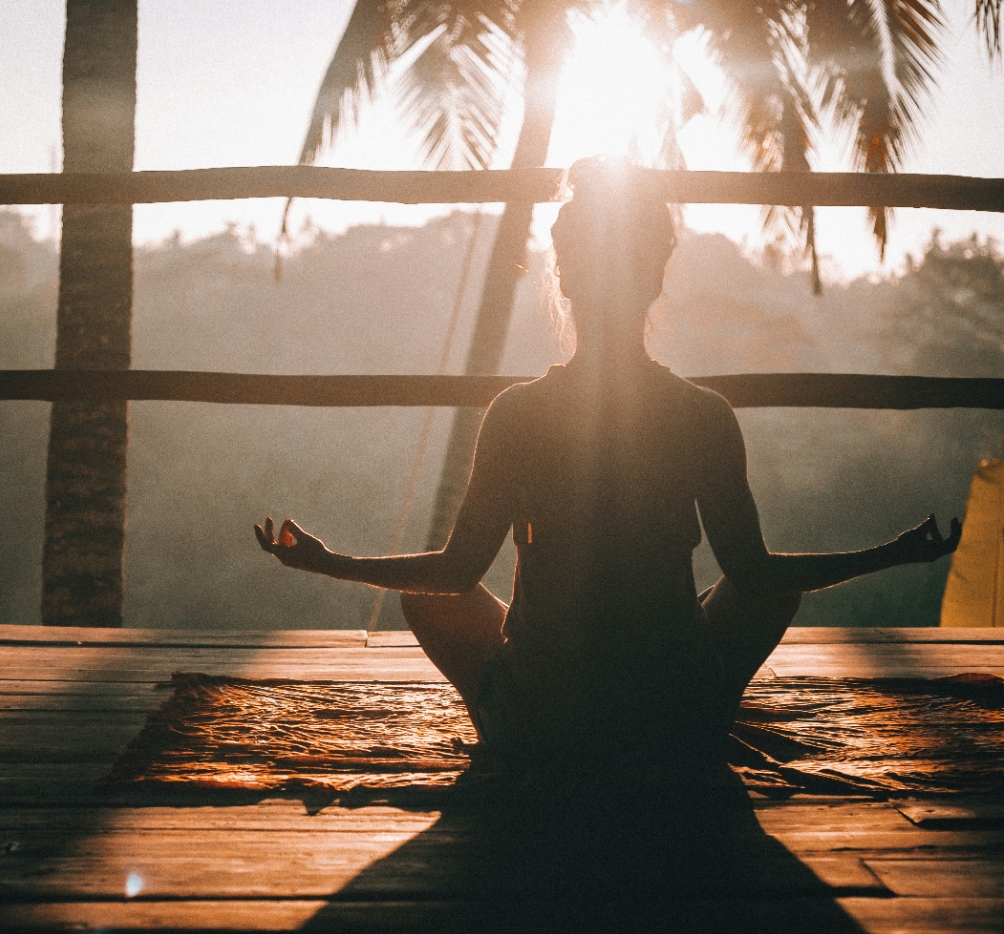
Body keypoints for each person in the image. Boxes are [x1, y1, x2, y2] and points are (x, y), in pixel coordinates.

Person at [255, 157, 960, 774]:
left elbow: (455, 572)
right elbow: (756, 574)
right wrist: (894, 553)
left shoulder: (517, 413)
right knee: (770, 587)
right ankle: (699, 708)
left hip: (546, 726)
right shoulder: (703, 414)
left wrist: (328, 560)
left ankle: (507, 723)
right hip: (672, 723)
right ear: (655, 280)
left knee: (428, 596)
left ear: (564, 280)